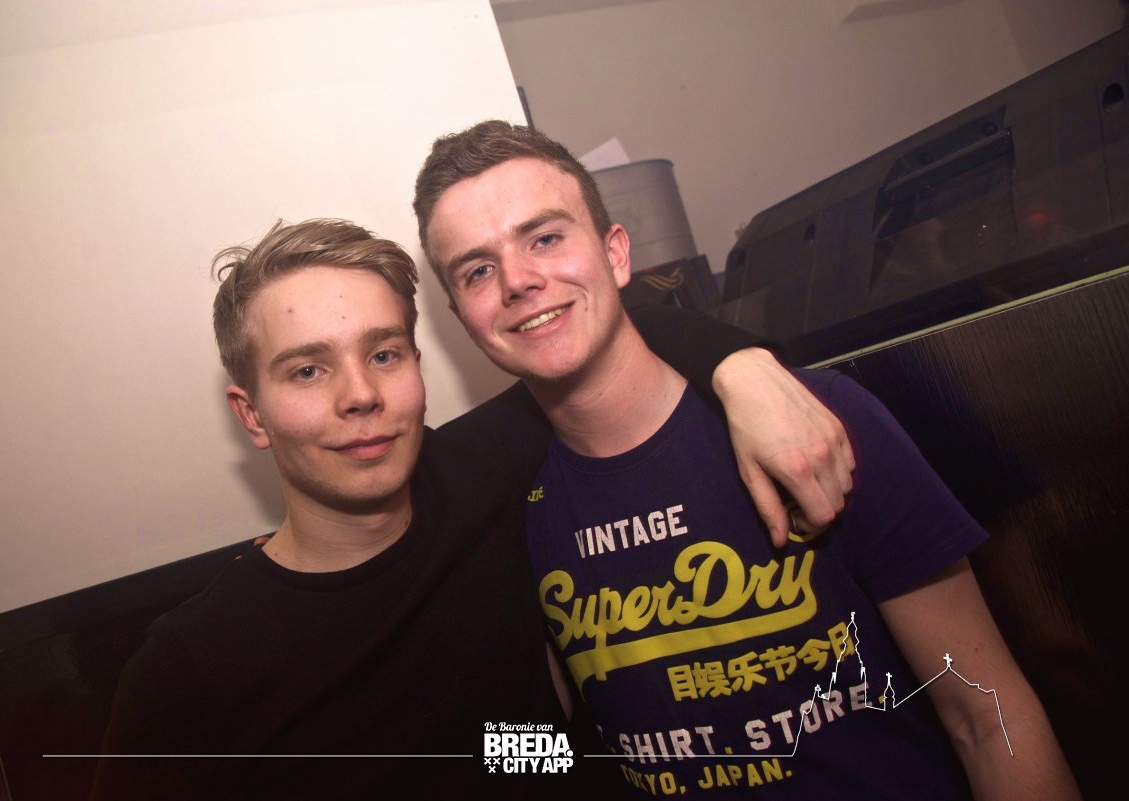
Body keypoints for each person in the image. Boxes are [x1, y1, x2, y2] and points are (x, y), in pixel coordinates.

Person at [413, 119, 1081, 799]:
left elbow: (985, 715)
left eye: (546, 238)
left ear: (616, 255)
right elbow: (549, 746)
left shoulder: (811, 422)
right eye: (478, 270)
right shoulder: (498, 503)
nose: (519, 280)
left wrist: (740, 363)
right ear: (462, 316)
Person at [91, 218, 854, 801]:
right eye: (307, 369)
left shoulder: (478, 476)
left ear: (417, 369)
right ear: (252, 414)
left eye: (383, 353)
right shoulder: (189, 671)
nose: (361, 394)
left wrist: (742, 366)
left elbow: (592, 334)